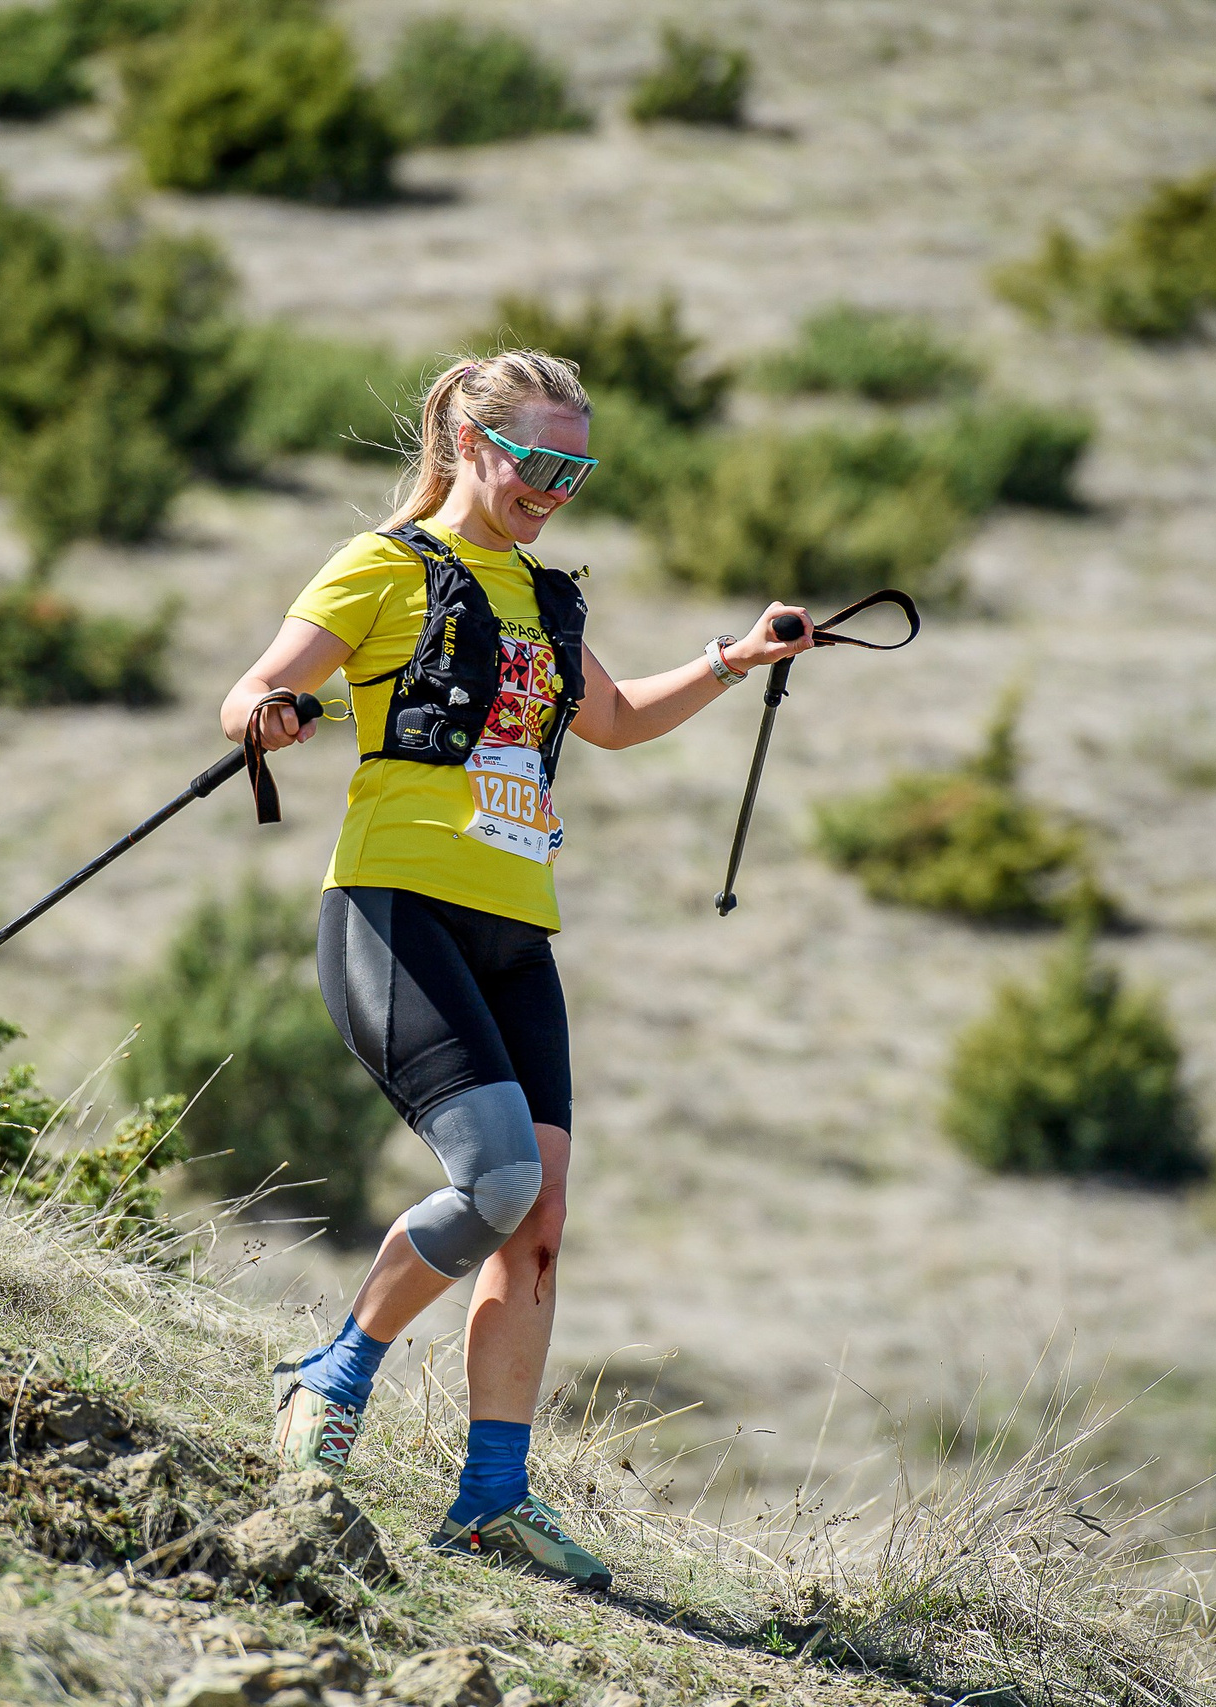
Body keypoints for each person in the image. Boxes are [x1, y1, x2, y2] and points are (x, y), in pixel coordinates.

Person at [219, 348, 813, 1592]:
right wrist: (264, 714)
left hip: (513, 932)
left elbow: (611, 721)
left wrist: (733, 659)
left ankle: (492, 1497)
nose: (556, 486)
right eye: (538, 460)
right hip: (396, 911)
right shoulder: (382, 566)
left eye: (576, 468)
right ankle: (331, 1374)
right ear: (472, 445)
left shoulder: (546, 599)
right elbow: (259, 686)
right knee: (492, 1180)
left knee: (535, 1226)